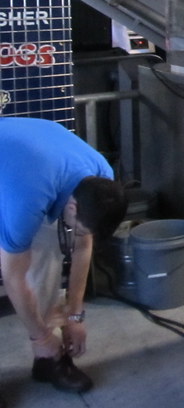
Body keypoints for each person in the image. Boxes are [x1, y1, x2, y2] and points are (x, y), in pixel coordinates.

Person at [0, 117, 127, 401]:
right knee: (17, 257)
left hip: (32, 162)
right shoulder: (28, 197)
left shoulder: (100, 176)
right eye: (78, 224)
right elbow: (12, 275)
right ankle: (44, 343)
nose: (80, 232)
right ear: (72, 206)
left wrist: (74, 315)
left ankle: (48, 361)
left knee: (47, 253)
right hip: (17, 171)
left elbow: (82, 245)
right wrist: (40, 336)